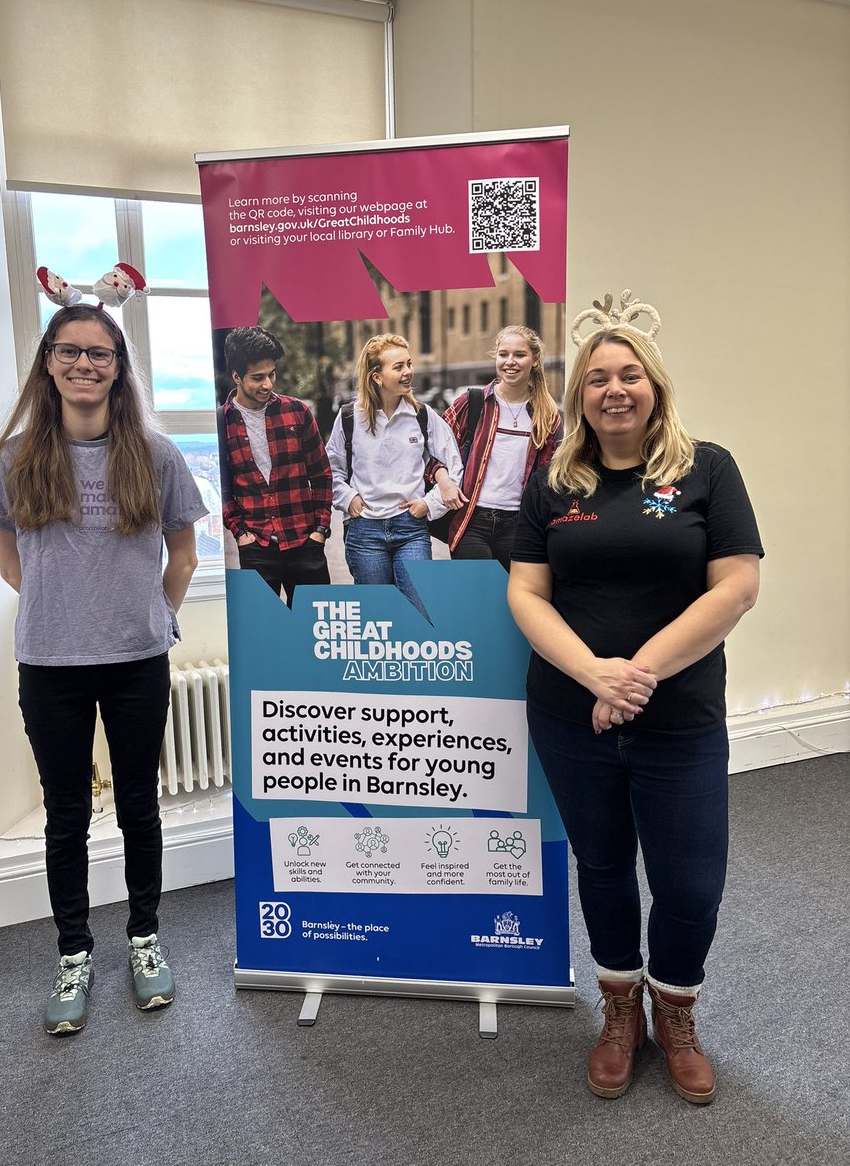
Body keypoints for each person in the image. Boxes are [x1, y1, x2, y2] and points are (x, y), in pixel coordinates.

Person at [508, 291, 763, 1104]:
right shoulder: (553, 480)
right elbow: (526, 595)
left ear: (654, 385)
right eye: (596, 379)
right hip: (569, 713)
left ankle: (675, 1006)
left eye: (630, 375)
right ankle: (620, 1011)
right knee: (605, 864)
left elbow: (738, 587)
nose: (614, 390)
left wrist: (635, 674)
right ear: (579, 394)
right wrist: (594, 674)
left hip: (679, 719)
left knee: (691, 882)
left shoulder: (707, 468)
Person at [0, 299, 208, 1035]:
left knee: (140, 806)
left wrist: (143, 617)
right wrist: (69, 613)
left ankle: (144, 940)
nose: (84, 364)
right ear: (48, 362)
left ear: (118, 366)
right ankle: (74, 952)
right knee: (65, 814)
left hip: (136, 663)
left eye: (99, 353)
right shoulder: (16, 459)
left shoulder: (157, 454)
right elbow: (13, 564)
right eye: (69, 351)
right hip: (50, 665)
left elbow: (185, 556)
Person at [326, 333, 463, 617]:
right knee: (377, 618)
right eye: (398, 367)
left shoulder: (422, 416)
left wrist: (430, 503)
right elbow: (331, 468)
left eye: (409, 364)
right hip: (364, 532)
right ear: (376, 376)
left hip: (410, 529)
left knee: (419, 611)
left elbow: (454, 464)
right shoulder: (350, 417)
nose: (408, 372)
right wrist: (348, 497)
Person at [218, 325, 332, 605]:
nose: (268, 384)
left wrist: (320, 531)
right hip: (256, 546)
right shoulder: (222, 423)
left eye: (271, 374)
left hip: (305, 542)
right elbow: (221, 487)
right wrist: (241, 533)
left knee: (318, 634)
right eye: (258, 378)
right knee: (262, 636)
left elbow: (321, 475)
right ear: (236, 376)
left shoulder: (297, 412)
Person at [443, 325, 562, 570]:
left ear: (535, 360)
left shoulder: (548, 415)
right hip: (471, 520)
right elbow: (435, 450)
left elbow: (553, 477)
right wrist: (444, 482)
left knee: (511, 603)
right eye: (503, 354)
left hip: (519, 524)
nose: (510, 362)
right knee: (479, 598)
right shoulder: (473, 402)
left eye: (519, 355)